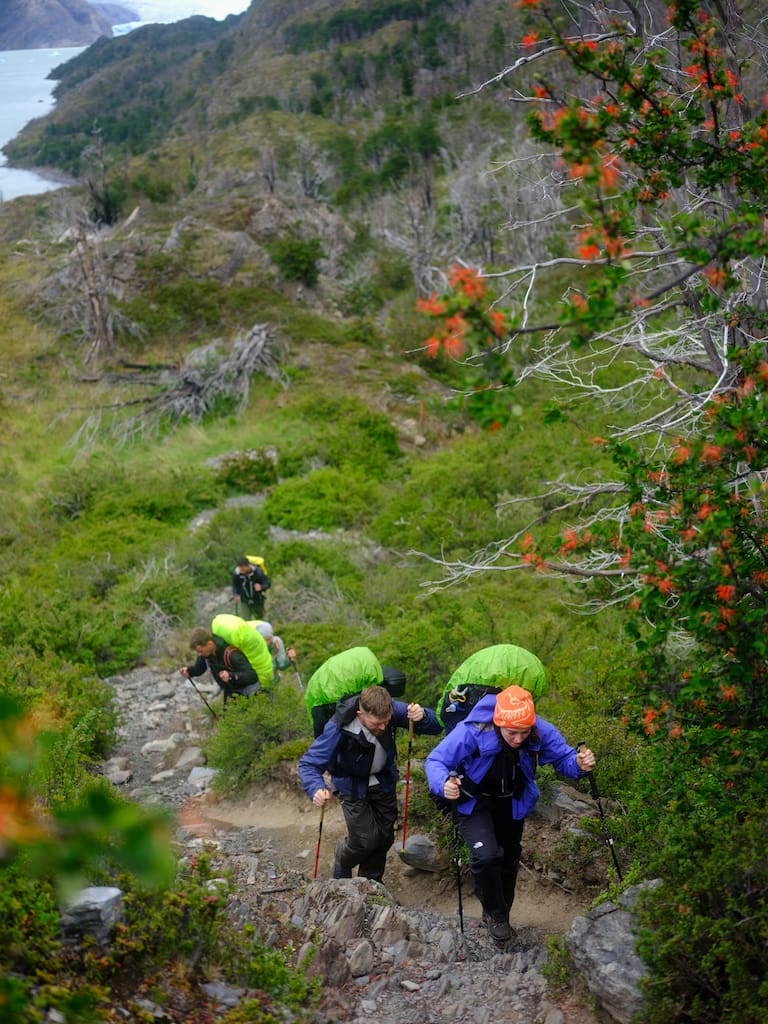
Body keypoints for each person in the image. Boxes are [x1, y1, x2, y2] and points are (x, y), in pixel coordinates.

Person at [424, 684, 596, 944]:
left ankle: (499, 911)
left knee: (508, 859)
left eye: (523, 733)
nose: (518, 739)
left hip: (511, 801)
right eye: (512, 733)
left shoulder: (539, 730)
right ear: (498, 722)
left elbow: (564, 759)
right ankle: (497, 916)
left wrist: (579, 764)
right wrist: (444, 784)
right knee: (486, 855)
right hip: (474, 801)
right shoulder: (473, 730)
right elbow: (436, 761)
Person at [298, 684, 442, 882]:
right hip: (351, 784)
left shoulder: (388, 709)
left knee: (384, 838)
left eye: (386, 722)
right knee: (365, 840)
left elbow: (436, 726)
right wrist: (315, 788)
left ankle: (370, 884)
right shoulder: (338, 726)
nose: (383, 727)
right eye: (377, 724)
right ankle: (343, 859)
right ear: (360, 714)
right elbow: (309, 763)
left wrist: (423, 716)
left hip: (383, 781)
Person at [304, 645, 407, 738]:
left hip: (319, 692)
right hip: (328, 696)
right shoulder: (371, 683)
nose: (383, 727)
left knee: (328, 739)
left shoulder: (371, 674)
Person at [180, 625, 262, 705]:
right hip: (230, 691)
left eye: (200, 651)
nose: (199, 654)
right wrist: (189, 671)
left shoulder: (232, 654)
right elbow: (198, 669)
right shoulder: (206, 655)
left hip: (247, 689)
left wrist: (231, 676)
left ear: (209, 644)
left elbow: (252, 676)